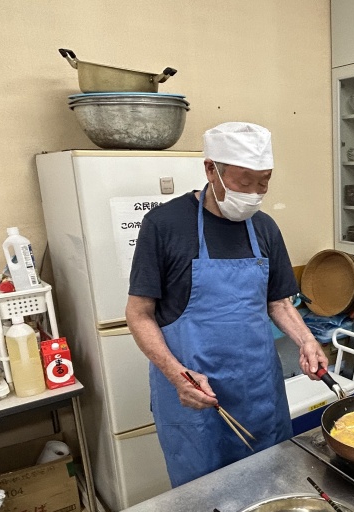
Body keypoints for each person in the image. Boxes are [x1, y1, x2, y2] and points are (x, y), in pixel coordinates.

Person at [126, 122, 328, 487]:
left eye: (263, 182)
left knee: (271, 487)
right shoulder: (164, 225)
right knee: (205, 499)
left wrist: (307, 341)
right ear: (210, 169)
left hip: (259, 392)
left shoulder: (265, 228)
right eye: (244, 181)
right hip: (196, 396)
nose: (254, 193)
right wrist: (177, 375)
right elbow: (138, 314)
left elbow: (279, 303)